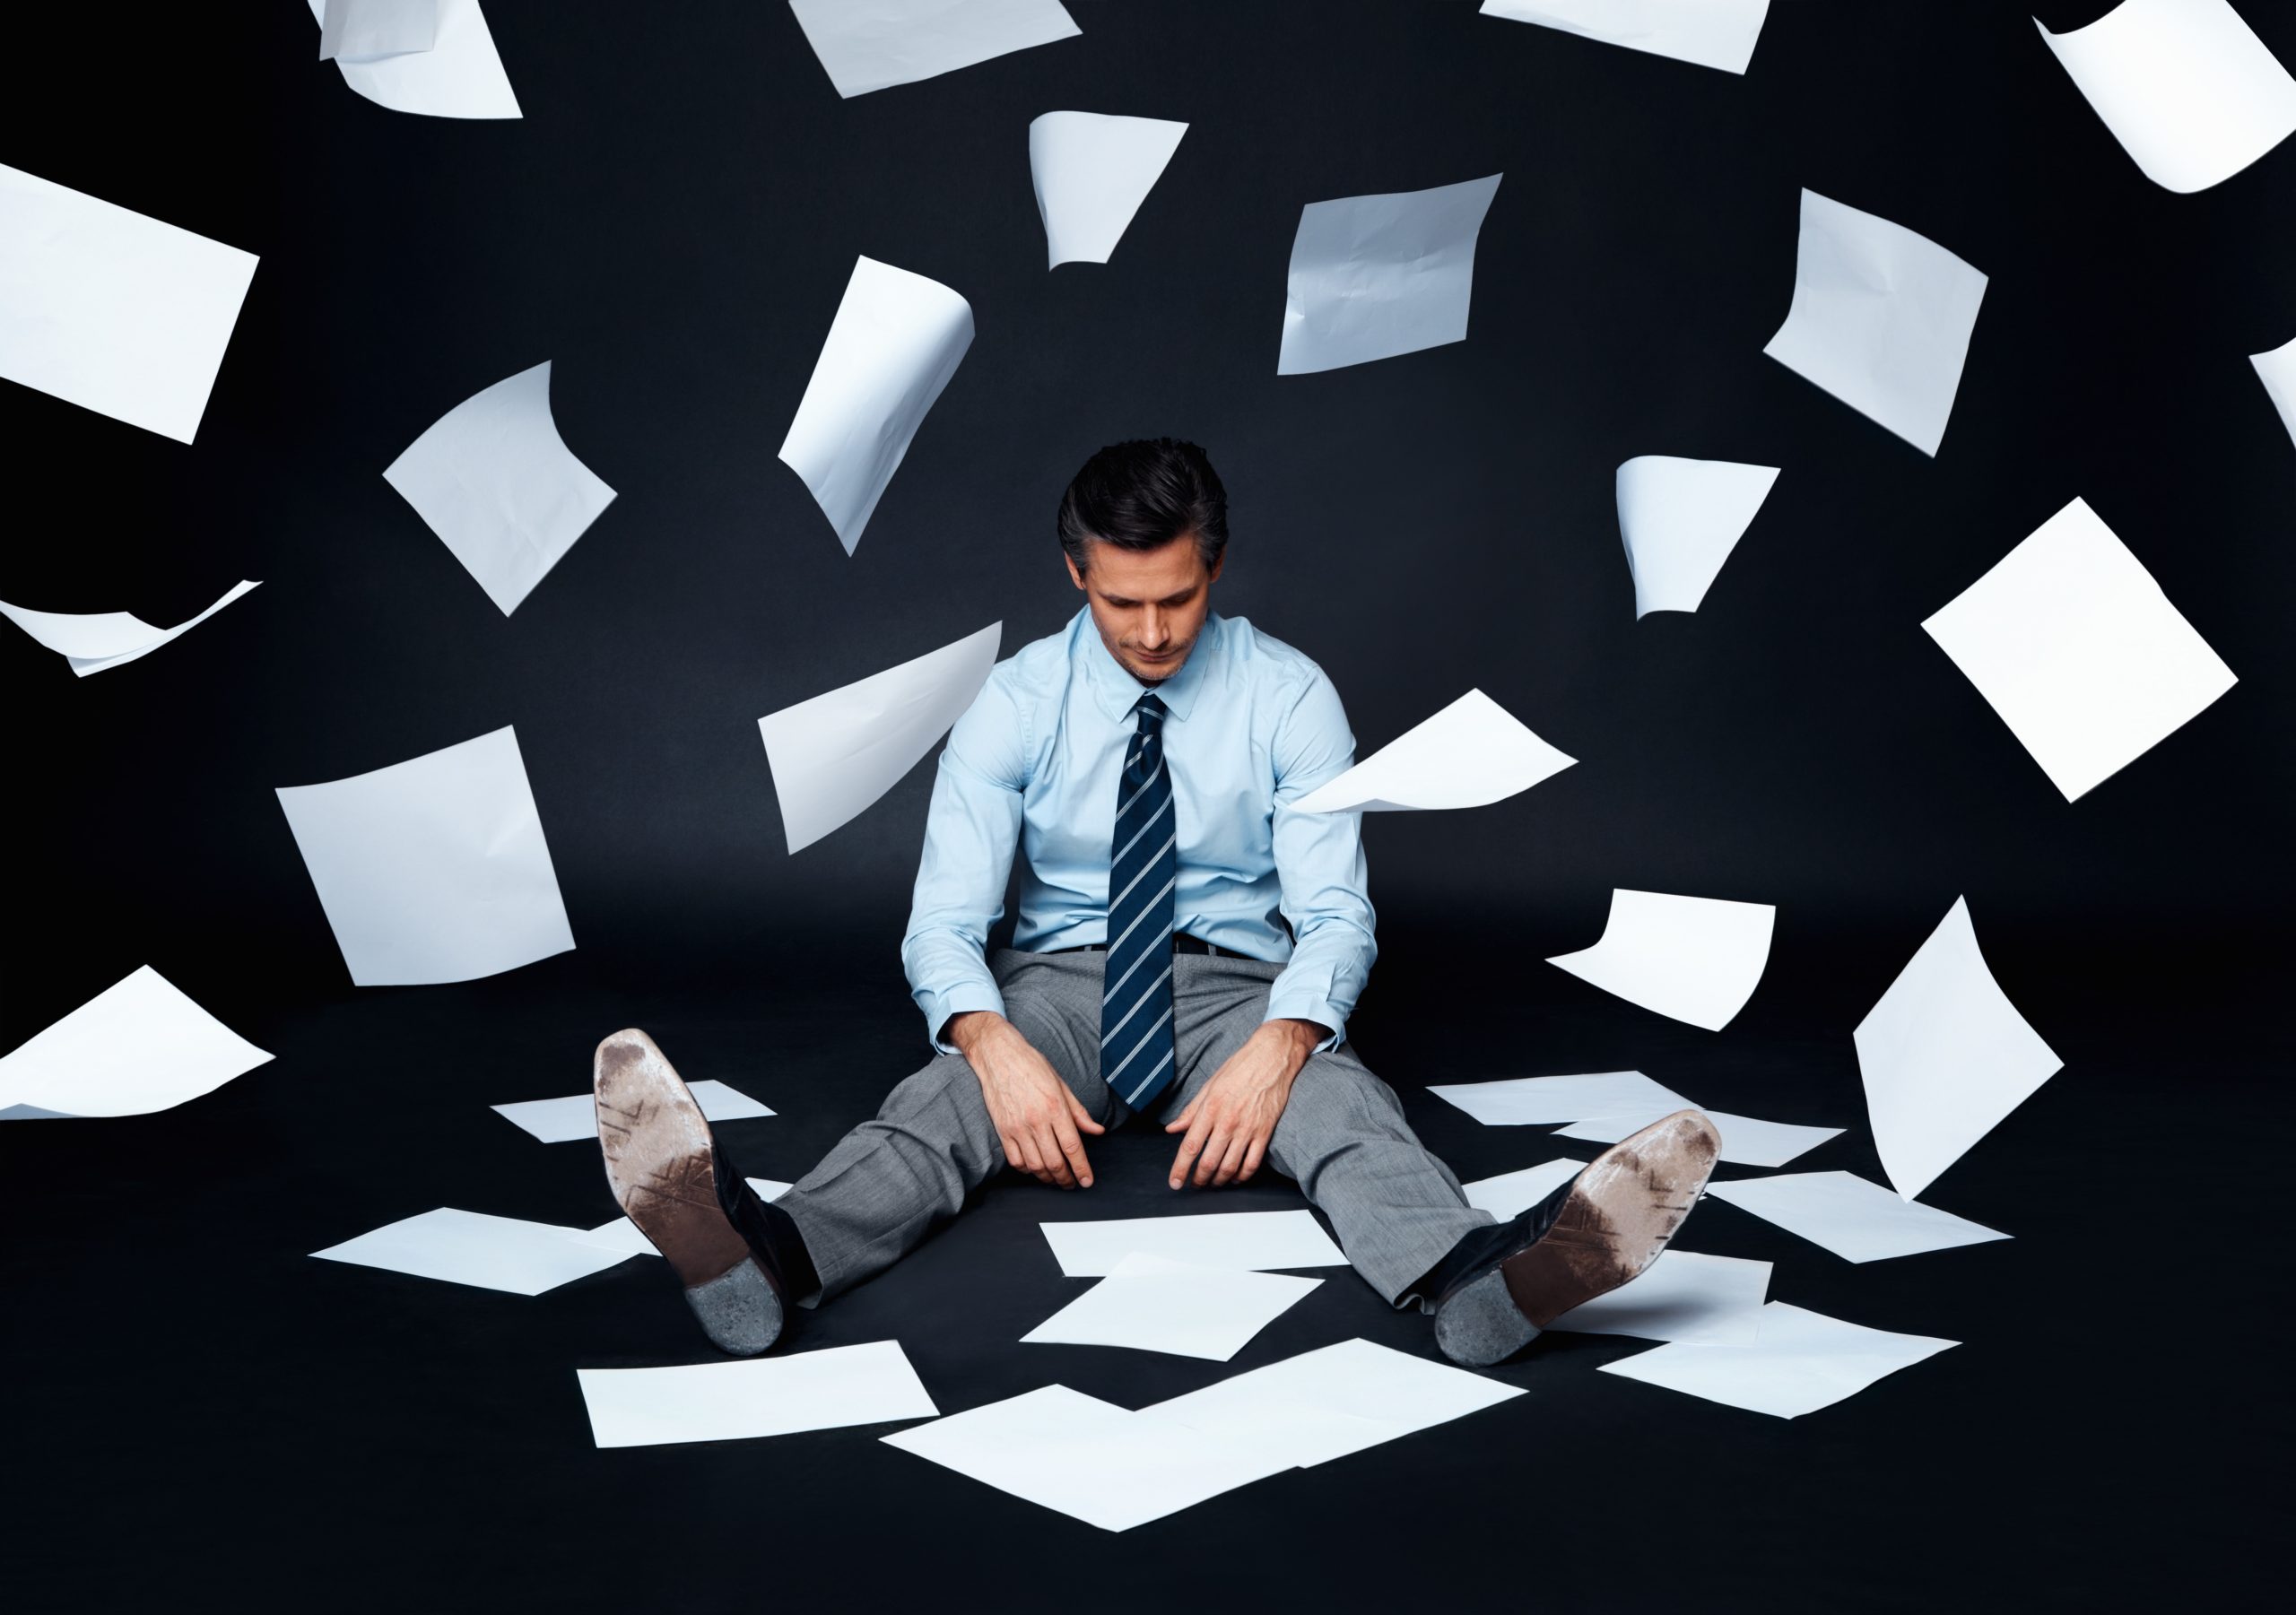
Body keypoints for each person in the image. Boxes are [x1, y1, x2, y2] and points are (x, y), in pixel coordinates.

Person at [591, 438, 1718, 1368]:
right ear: (1075, 572)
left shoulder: (1291, 697)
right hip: (1063, 987)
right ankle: (761, 1262)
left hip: (1241, 986)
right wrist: (990, 1042)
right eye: (1122, 601)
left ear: (1214, 569)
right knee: (932, 1113)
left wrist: (1283, 1043)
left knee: (1345, 1115)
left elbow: (1333, 917)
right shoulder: (1013, 703)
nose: (1150, 633)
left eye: (1176, 598)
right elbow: (943, 924)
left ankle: (1483, 1283)